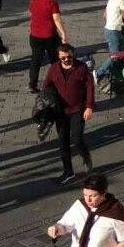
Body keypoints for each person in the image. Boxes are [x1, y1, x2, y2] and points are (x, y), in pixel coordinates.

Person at [47, 173, 124, 247]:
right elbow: (65, 225)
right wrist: (56, 228)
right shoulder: (79, 206)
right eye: (85, 195)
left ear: (104, 193)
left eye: (93, 196)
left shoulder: (115, 212)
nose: (88, 200)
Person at [44, 44, 95, 184]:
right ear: (59, 58)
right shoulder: (54, 69)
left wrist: (89, 107)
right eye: (63, 58)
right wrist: (48, 102)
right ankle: (68, 172)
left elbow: (90, 87)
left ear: (73, 55)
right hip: (60, 112)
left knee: (77, 139)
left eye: (69, 57)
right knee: (63, 142)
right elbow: (46, 86)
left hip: (77, 110)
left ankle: (86, 157)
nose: (66, 60)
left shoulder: (82, 68)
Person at [28, 0, 67, 92]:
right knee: (55, 60)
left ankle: (32, 84)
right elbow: (56, 20)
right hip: (49, 36)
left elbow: (32, 14)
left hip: (34, 35)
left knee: (35, 60)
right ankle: (57, 82)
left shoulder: (33, 0)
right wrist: (63, 33)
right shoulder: (52, 3)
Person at [95, 0, 124, 85]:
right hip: (114, 31)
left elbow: (104, 15)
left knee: (120, 54)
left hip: (109, 29)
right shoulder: (122, 0)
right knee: (115, 56)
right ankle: (98, 73)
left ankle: (116, 76)